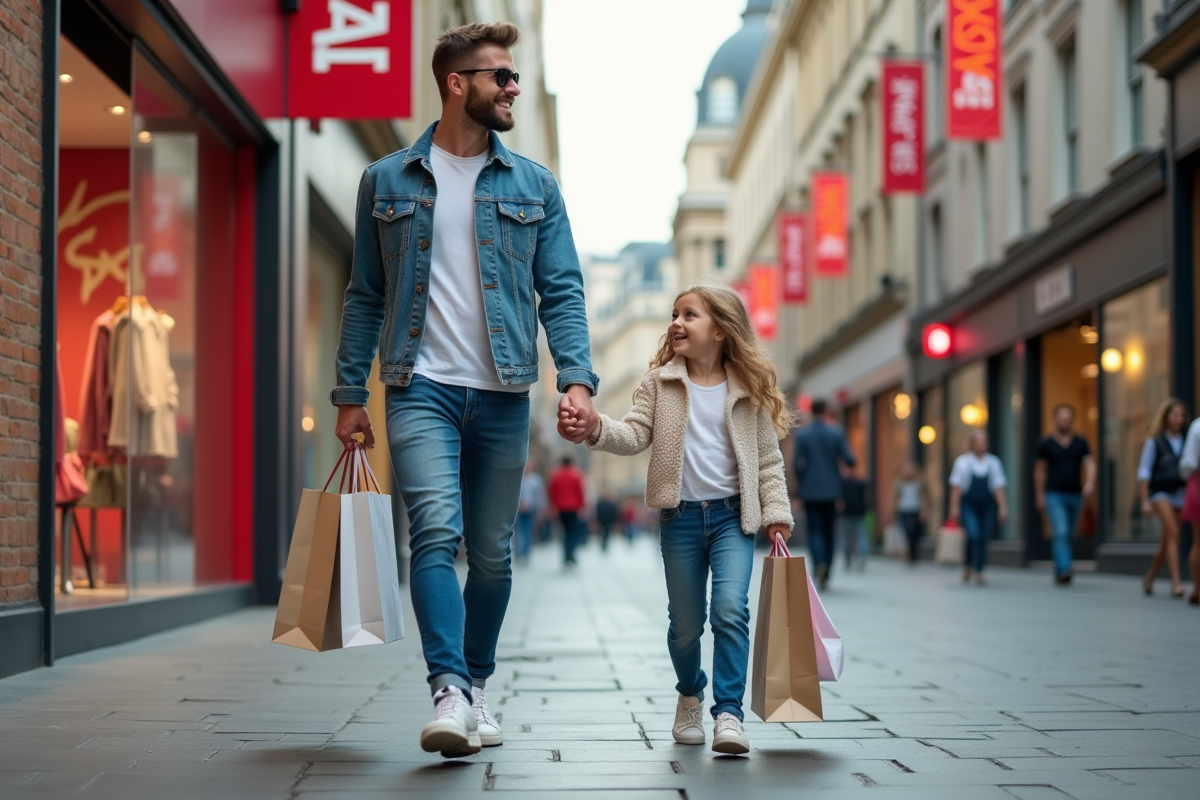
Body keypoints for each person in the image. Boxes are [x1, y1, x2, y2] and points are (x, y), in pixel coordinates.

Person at [330, 23, 599, 759]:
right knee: (434, 531)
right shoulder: (386, 179)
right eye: (499, 76)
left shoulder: (535, 185)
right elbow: (365, 295)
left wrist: (575, 377)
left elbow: (562, 290)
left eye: (514, 76)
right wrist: (350, 393)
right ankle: (447, 688)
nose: (513, 87)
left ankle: (477, 683)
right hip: (419, 386)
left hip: (505, 391)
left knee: (491, 554)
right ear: (457, 84)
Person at [560, 285, 793, 757]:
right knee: (685, 626)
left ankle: (728, 713)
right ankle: (690, 694)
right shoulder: (659, 383)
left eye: (690, 315)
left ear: (721, 331)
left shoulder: (747, 388)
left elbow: (768, 460)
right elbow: (634, 434)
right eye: (674, 314)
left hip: (733, 519)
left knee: (730, 609)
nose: (676, 323)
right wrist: (597, 427)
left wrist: (776, 513)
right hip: (680, 519)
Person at [792, 398, 855, 590]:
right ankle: (826, 567)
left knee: (814, 531)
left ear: (811, 411)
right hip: (832, 491)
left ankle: (818, 563)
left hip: (810, 491)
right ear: (826, 411)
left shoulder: (803, 435)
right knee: (829, 532)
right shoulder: (836, 432)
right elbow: (849, 459)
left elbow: (796, 464)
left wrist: (802, 484)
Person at [1034, 404, 1096, 585]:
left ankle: (1060, 568)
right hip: (1053, 494)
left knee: (1069, 534)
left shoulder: (1080, 442)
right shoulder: (1045, 443)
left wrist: (1090, 483)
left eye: (1067, 418)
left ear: (1072, 420)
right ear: (1055, 419)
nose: (1064, 421)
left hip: (1075, 494)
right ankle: (1065, 569)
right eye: (1061, 418)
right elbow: (1039, 470)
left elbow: (1090, 464)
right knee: (1061, 531)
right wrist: (1039, 495)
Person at [1139, 399, 1190, 597]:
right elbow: (1144, 470)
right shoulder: (1155, 441)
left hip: (1180, 493)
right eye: (1174, 415)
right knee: (1174, 533)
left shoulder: (1186, 440)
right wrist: (1145, 500)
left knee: (1168, 539)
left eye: (1181, 415)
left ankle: (1150, 576)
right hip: (1160, 492)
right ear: (1166, 417)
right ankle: (1176, 583)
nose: (1178, 419)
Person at [948, 430, 1008, 586]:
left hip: (987, 505)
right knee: (973, 534)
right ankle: (968, 564)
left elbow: (998, 487)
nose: (982, 444)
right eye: (978, 441)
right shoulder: (962, 462)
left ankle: (979, 570)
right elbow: (956, 487)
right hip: (969, 504)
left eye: (984, 441)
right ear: (972, 444)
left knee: (983, 537)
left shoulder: (993, 462)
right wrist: (954, 508)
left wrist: (1002, 507)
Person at [549, 456, 587, 566]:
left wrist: (553, 507)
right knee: (573, 532)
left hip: (561, 508)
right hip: (574, 507)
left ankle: (566, 554)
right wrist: (583, 506)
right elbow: (580, 492)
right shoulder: (577, 475)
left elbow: (552, 492)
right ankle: (570, 554)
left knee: (565, 532)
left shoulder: (556, 475)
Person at [1179, 415, 1200, 605]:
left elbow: (1188, 464)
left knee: (1198, 541)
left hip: (1196, 482)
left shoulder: (1196, 427)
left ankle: (1197, 589)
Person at [893, 462, 929, 565]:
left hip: (915, 509)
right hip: (904, 510)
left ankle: (914, 553)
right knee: (907, 532)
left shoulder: (919, 483)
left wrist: (924, 510)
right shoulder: (899, 483)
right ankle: (910, 554)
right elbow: (895, 498)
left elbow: (923, 497)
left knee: (916, 532)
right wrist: (893, 511)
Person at [839, 470, 871, 571]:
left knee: (846, 537)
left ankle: (848, 558)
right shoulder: (860, 483)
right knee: (861, 536)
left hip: (847, 513)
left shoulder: (842, 484)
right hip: (859, 513)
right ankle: (862, 558)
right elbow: (866, 497)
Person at [515, 460, 546, 564]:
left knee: (527, 531)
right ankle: (518, 552)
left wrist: (541, 510)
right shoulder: (519, 477)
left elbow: (540, 496)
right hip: (517, 509)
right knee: (518, 532)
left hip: (530, 510)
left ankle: (525, 552)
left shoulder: (536, 480)